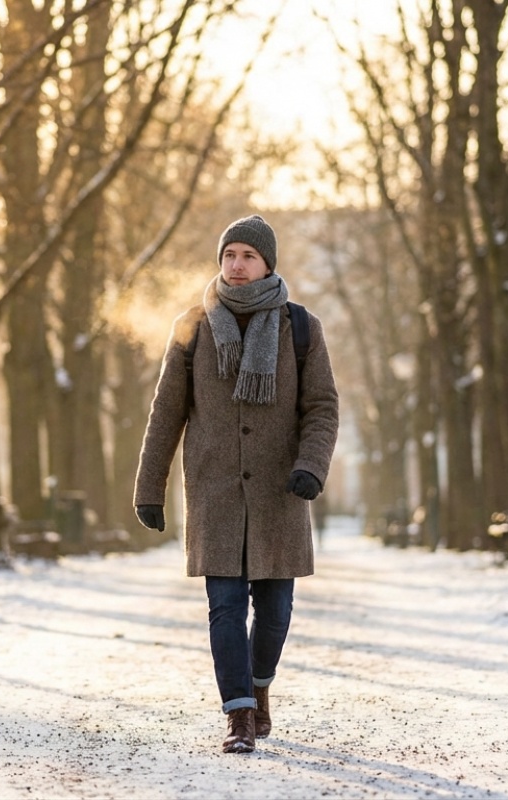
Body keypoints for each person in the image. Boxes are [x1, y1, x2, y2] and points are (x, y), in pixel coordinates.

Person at [133, 214, 339, 754]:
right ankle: (239, 715)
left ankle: (259, 685)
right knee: (224, 606)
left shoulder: (301, 327)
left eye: (248, 255)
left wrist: (311, 466)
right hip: (214, 493)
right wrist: (148, 488)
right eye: (229, 255)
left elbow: (321, 408)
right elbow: (165, 414)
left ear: (268, 263)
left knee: (274, 613)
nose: (237, 265)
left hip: (280, 493)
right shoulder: (193, 326)